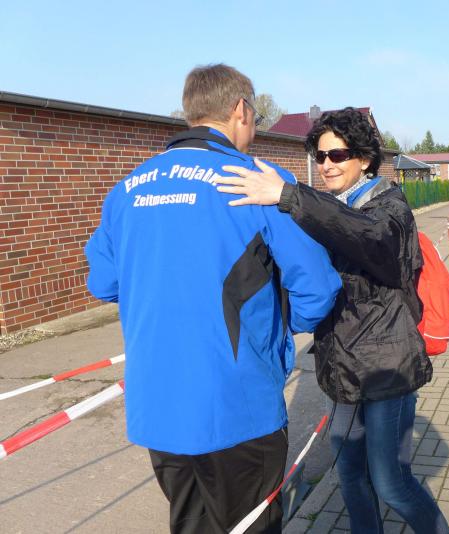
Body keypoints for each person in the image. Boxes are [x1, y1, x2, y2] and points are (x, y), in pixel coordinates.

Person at [84, 64, 341, 534]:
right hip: (237, 405)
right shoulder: (257, 181)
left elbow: (103, 283)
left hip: (159, 407)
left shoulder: (127, 189)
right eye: (255, 115)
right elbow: (318, 288)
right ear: (241, 109)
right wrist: (278, 333)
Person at [215, 107, 449, 534]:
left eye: (338, 155)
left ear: (364, 158)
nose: (327, 165)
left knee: (392, 483)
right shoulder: (325, 207)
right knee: (349, 475)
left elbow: (369, 237)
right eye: (320, 156)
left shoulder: (389, 206)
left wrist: (290, 196)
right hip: (342, 366)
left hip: (386, 367)